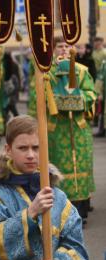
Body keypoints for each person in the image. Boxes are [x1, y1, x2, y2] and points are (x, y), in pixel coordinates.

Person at [0, 115, 89, 260]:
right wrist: (30, 213)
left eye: (36, 148)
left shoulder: (57, 197)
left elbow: (76, 246)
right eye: (23, 148)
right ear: (8, 150)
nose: (30, 155)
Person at [46, 36, 97, 221]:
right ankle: (61, 210)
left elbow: (91, 93)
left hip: (78, 128)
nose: (64, 49)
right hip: (56, 129)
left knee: (79, 167)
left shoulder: (82, 71)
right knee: (58, 168)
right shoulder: (47, 73)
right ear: (53, 49)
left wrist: (76, 101)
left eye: (68, 46)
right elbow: (42, 98)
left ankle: (81, 210)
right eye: (60, 46)